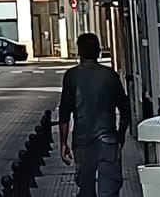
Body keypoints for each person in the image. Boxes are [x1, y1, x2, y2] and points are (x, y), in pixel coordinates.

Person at [59, 33, 131, 197]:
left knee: (86, 189)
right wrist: (120, 135)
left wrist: (63, 143)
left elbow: (64, 113)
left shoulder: (71, 76)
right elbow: (125, 110)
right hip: (108, 140)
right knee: (109, 189)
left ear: (79, 52)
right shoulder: (110, 76)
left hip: (82, 141)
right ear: (98, 51)